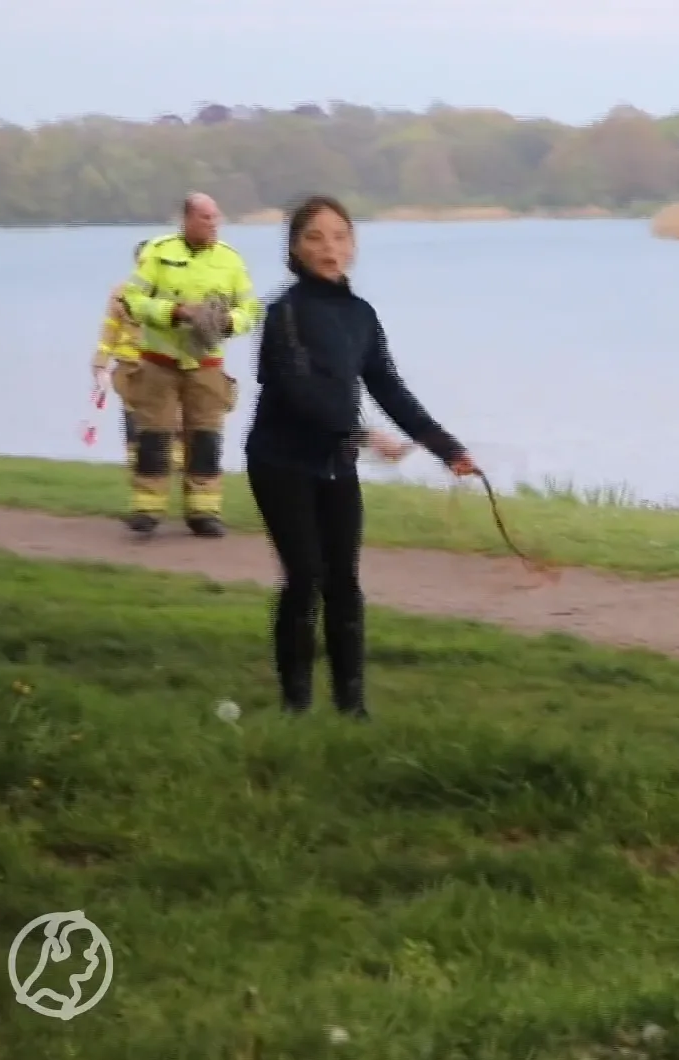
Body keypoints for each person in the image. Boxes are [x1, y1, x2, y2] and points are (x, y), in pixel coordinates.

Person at [245, 193, 477, 719]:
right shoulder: (285, 314)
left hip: (336, 462)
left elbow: (388, 387)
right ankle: (296, 706)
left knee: (344, 583)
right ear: (296, 249)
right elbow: (298, 389)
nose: (330, 247)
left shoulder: (360, 315)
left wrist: (446, 448)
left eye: (341, 236)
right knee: (305, 577)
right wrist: (363, 434)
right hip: (280, 460)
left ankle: (352, 707)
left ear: (353, 245)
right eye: (315, 237)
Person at [120, 193, 262, 537]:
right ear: (186, 219)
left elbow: (252, 310)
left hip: (206, 364)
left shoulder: (231, 260)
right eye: (204, 217)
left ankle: (204, 512)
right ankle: (148, 510)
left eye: (215, 217)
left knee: (206, 437)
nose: (212, 223)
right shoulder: (158, 252)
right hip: (159, 362)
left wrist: (229, 322)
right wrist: (174, 313)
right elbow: (133, 300)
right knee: (154, 436)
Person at [91, 238, 184, 479]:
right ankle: (136, 460)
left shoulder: (172, 291)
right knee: (132, 414)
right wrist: (100, 361)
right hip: (129, 364)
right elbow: (110, 327)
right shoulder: (121, 292)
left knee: (171, 412)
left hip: (163, 362)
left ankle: (175, 459)